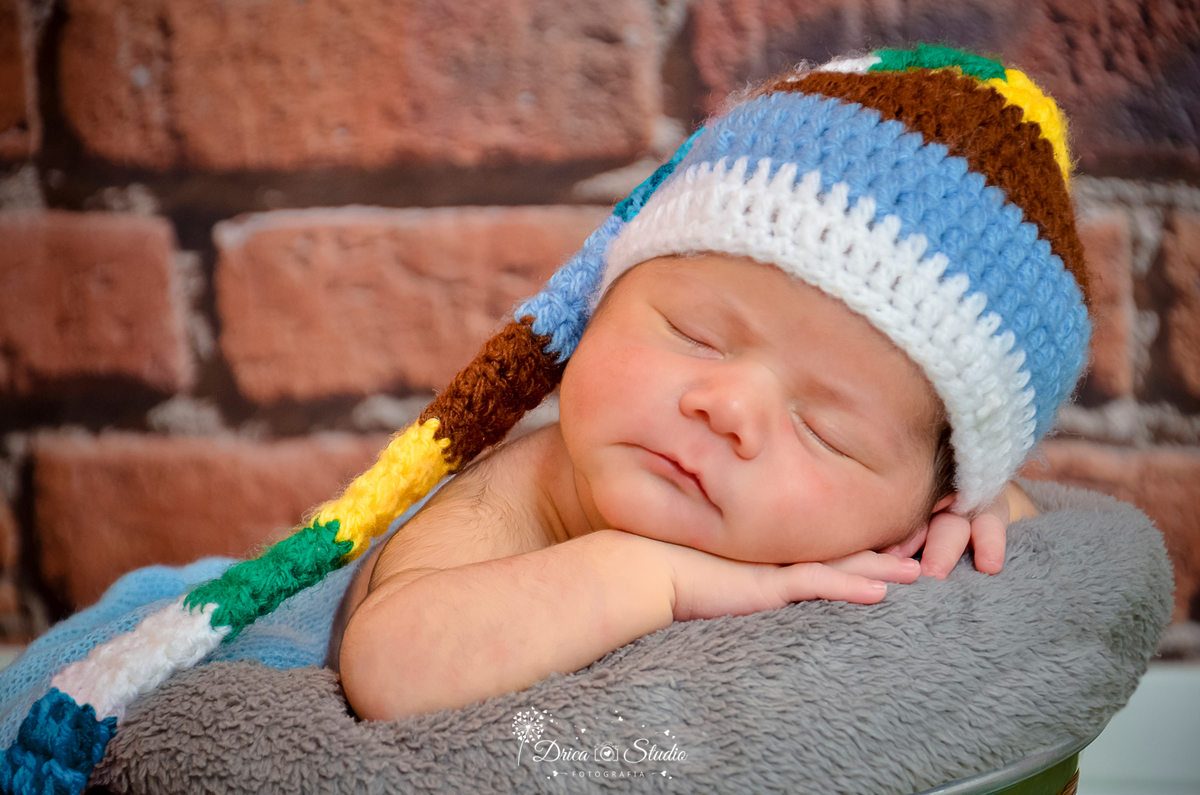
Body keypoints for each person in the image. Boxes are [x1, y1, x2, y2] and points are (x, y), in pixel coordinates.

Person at [336, 44, 1089, 722]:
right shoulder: (514, 502)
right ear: (601, 303)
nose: (727, 408)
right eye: (694, 335)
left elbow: (1016, 538)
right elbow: (390, 670)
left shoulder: (895, 522)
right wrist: (651, 576)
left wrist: (983, 513)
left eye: (826, 430)